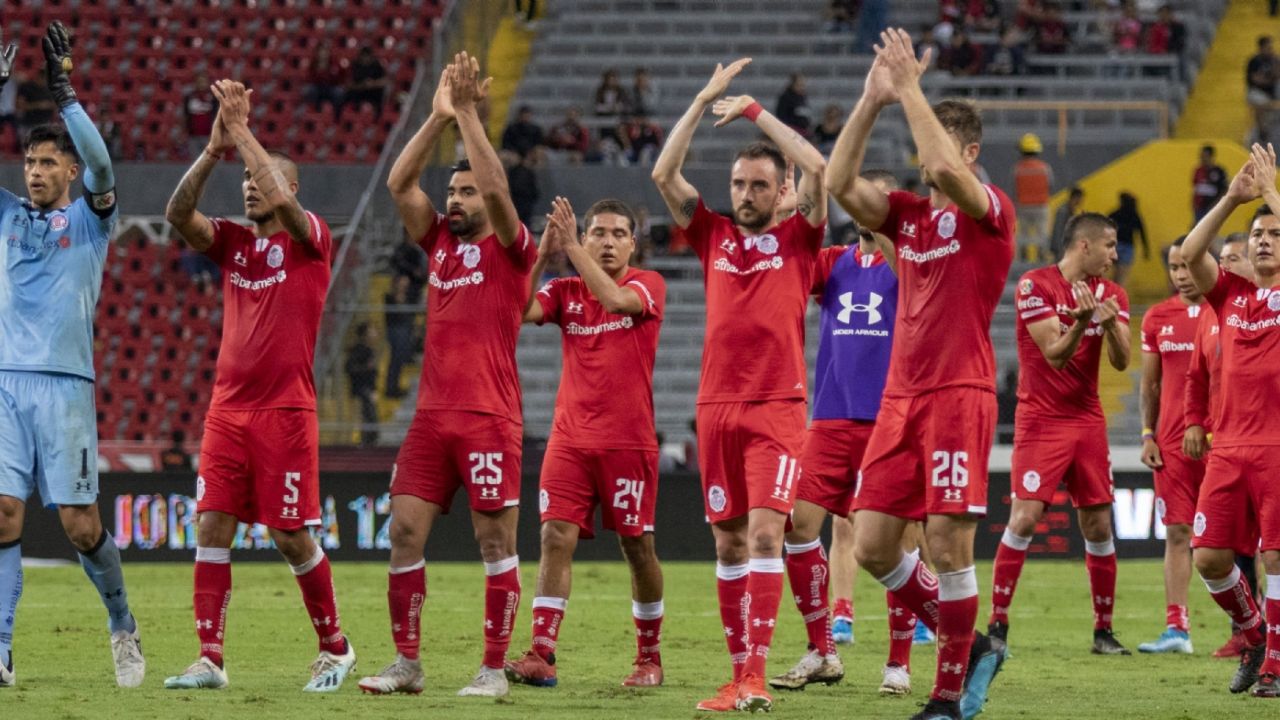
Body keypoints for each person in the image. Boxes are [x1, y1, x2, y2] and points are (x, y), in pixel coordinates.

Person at [826, 29, 1011, 720]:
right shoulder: (905, 221)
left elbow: (942, 166)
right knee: (873, 545)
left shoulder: (991, 214)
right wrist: (874, 100)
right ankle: (978, 647)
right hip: (901, 397)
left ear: (969, 155)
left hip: (960, 392)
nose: (924, 161)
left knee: (946, 545)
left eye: (942, 149)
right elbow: (838, 183)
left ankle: (946, 695)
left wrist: (911, 88)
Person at [162, 79, 354, 691]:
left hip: (285, 411)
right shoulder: (235, 244)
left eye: (262, 176)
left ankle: (337, 647)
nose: (249, 182)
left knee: (287, 533)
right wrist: (214, 149)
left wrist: (242, 130)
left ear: (290, 188)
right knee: (212, 523)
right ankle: (210, 659)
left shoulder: (312, 239)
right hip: (227, 411)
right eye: (244, 176)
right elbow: (176, 216)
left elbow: (292, 213)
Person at [651, 57, 828, 713]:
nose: (745, 193)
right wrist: (701, 100)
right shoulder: (712, 234)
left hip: (779, 408)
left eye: (759, 184)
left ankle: (755, 675)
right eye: (738, 183)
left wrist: (756, 112)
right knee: (727, 542)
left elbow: (818, 168)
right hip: (716, 409)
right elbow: (663, 174)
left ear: (779, 190)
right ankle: (737, 675)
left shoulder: (801, 237)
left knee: (763, 537)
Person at [359, 52, 535, 698]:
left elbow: (496, 190)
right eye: (453, 192)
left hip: (490, 417)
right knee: (403, 530)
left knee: (495, 542)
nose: (456, 201)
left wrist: (468, 118)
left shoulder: (514, 249)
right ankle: (407, 663)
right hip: (431, 420)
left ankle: (493, 668)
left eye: (464, 193)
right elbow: (400, 186)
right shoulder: (439, 245)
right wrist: (438, 117)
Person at [0, 23, 144, 689]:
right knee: (3, 515)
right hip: (5, 382)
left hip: (65, 390)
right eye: (28, 163)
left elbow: (107, 169)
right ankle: (1, 648)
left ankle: (121, 623)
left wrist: (67, 97)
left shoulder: (89, 220)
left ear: (69, 172)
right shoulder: (7, 215)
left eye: (47, 163)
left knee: (83, 528)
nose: (34, 172)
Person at [769, 169, 924, 697]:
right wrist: (787, 213)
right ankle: (821, 650)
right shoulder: (833, 262)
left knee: (897, 540)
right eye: (857, 201)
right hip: (831, 416)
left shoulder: (911, 263)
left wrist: (886, 227)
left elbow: (914, 279)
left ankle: (898, 664)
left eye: (875, 201)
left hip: (892, 417)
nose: (863, 209)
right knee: (797, 527)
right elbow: (786, 267)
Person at [505, 197, 668, 688]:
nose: (608, 242)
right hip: (570, 441)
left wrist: (572, 246)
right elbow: (514, 311)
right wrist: (541, 255)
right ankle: (541, 654)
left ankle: (649, 658)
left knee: (637, 547)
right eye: (598, 232)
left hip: (628, 444)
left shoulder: (646, 284)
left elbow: (617, 302)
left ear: (633, 244)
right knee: (555, 537)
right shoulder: (566, 290)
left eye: (619, 234)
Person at [992, 213, 1131, 655]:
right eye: (1109, 245)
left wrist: (1108, 323)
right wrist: (1081, 321)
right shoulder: (1035, 285)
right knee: (1026, 518)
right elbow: (1054, 355)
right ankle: (997, 625)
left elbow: (1123, 361)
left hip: (1087, 421)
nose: (1115, 254)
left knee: (1097, 523)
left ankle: (1103, 632)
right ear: (1084, 246)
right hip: (1041, 421)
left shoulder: (1114, 294)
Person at [1179, 143, 1280, 697]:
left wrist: (1270, 193)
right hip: (1230, 446)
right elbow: (1194, 253)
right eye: (1256, 236)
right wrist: (1233, 199)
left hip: (1277, 445)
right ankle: (1254, 632)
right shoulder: (1234, 296)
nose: (1262, 240)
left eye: (1272, 234)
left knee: (1275, 555)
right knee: (1211, 557)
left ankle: (1276, 668)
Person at [1182, 233, 1260, 660]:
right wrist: (1194, 420)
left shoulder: (1270, 304)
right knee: (1226, 550)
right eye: (1223, 260)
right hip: (1226, 443)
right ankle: (1248, 632)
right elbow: (1196, 377)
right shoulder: (1212, 315)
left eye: (1234, 259)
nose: (1225, 267)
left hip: (1269, 442)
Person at [1135, 239, 1206, 655]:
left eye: (1187, 265)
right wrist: (1147, 433)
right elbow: (1151, 383)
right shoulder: (1158, 317)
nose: (1181, 274)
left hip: (1223, 440)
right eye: (1175, 266)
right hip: (1172, 444)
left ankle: (1253, 630)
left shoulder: (1227, 311)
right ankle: (1177, 627)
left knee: (1241, 540)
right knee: (1177, 532)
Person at [1013, 133, 1053, 263]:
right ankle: (1041, 261)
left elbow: (1013, 189)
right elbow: (1051, 186)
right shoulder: (1045, 168)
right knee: (1042, 238)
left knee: (1023, 238)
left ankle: (1023, 263)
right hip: (1041, 207)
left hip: (1023, 208)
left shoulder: (1017, 169)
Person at [345, 322, 379, 447]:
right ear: (364, 335)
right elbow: (349, 368)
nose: (375, 334)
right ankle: (366, 443)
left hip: (367, 388)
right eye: (371, 331)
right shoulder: (359, 350)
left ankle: (369, 442)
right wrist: (366, 368)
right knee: (367, 416)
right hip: (362, 389)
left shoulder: (370, 350)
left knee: (370, 416)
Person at [383, 274, 415, 399]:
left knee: (400, 358)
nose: (405, 285)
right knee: (395, 358)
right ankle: (390, 387)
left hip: (405, 329)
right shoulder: (389, 296)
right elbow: (397, 306)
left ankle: (396, 385)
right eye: (403, 282)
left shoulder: (409, 296)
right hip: (395, 329)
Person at [1108, 191, 1148, 285]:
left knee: (1113, 274)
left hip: (1115, 246)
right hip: (1128, 247)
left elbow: (1104, 228)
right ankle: (1117, 295)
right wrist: (1146, 249)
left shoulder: (1115, 214)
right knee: (1122, 276)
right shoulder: (1134, 215)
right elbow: (1142, 232)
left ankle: (1110, 293)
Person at [1247, 37, 1277, 143]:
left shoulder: (1274, 60)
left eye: (1271, 47)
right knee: (1260, 104)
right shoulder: (1254, 61)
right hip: (1256, 92)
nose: (1270, 49)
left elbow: (1277, 75)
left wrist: (1274, 66)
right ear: (1261, 48)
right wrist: (1269, 80)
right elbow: (1256, 80)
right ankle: (1262, 131)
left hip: (1271, 93)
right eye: (1267, 47)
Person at [344, 47, 388, 119]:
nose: (365, 58)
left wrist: (373, 83)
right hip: (358, 90)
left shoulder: (376, 65)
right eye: (363, 56)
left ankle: (377, 118)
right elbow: (348, 84)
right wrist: (362, 85)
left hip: (373, 90)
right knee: (347, 95)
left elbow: (385, 81)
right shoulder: (355, 65)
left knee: (380, 94)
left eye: (367, 56)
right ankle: (351, 115)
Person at [183, 73, 216, 161]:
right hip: (193, 136)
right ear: (195, 83)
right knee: (195, 164)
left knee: (210, 162)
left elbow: (217, 115)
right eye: (199, 82)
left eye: (203, 82)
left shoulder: (213, 97)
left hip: (210, 136)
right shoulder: (189, 97)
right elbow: (185, 115)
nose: (201, 84)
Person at [1192, 145, 1227, 225]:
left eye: (1205, 156)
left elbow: (1224, 190)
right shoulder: (1198, 171)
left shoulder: (1219, 171)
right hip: (1200, 208)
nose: (1202, 158)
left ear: (1211, 156)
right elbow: (1196, 188)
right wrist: (1194, 204)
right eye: (1201, 156)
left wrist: (1216, 204)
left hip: (1213, 207)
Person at [1050, 185, 1084, 260]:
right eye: (1079, 199)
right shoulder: (1063, 212)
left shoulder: (1071, 211)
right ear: (1075, 197)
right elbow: (1058, 231)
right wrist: (1059, 250)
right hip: (1060, 248)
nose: (1080, 202)